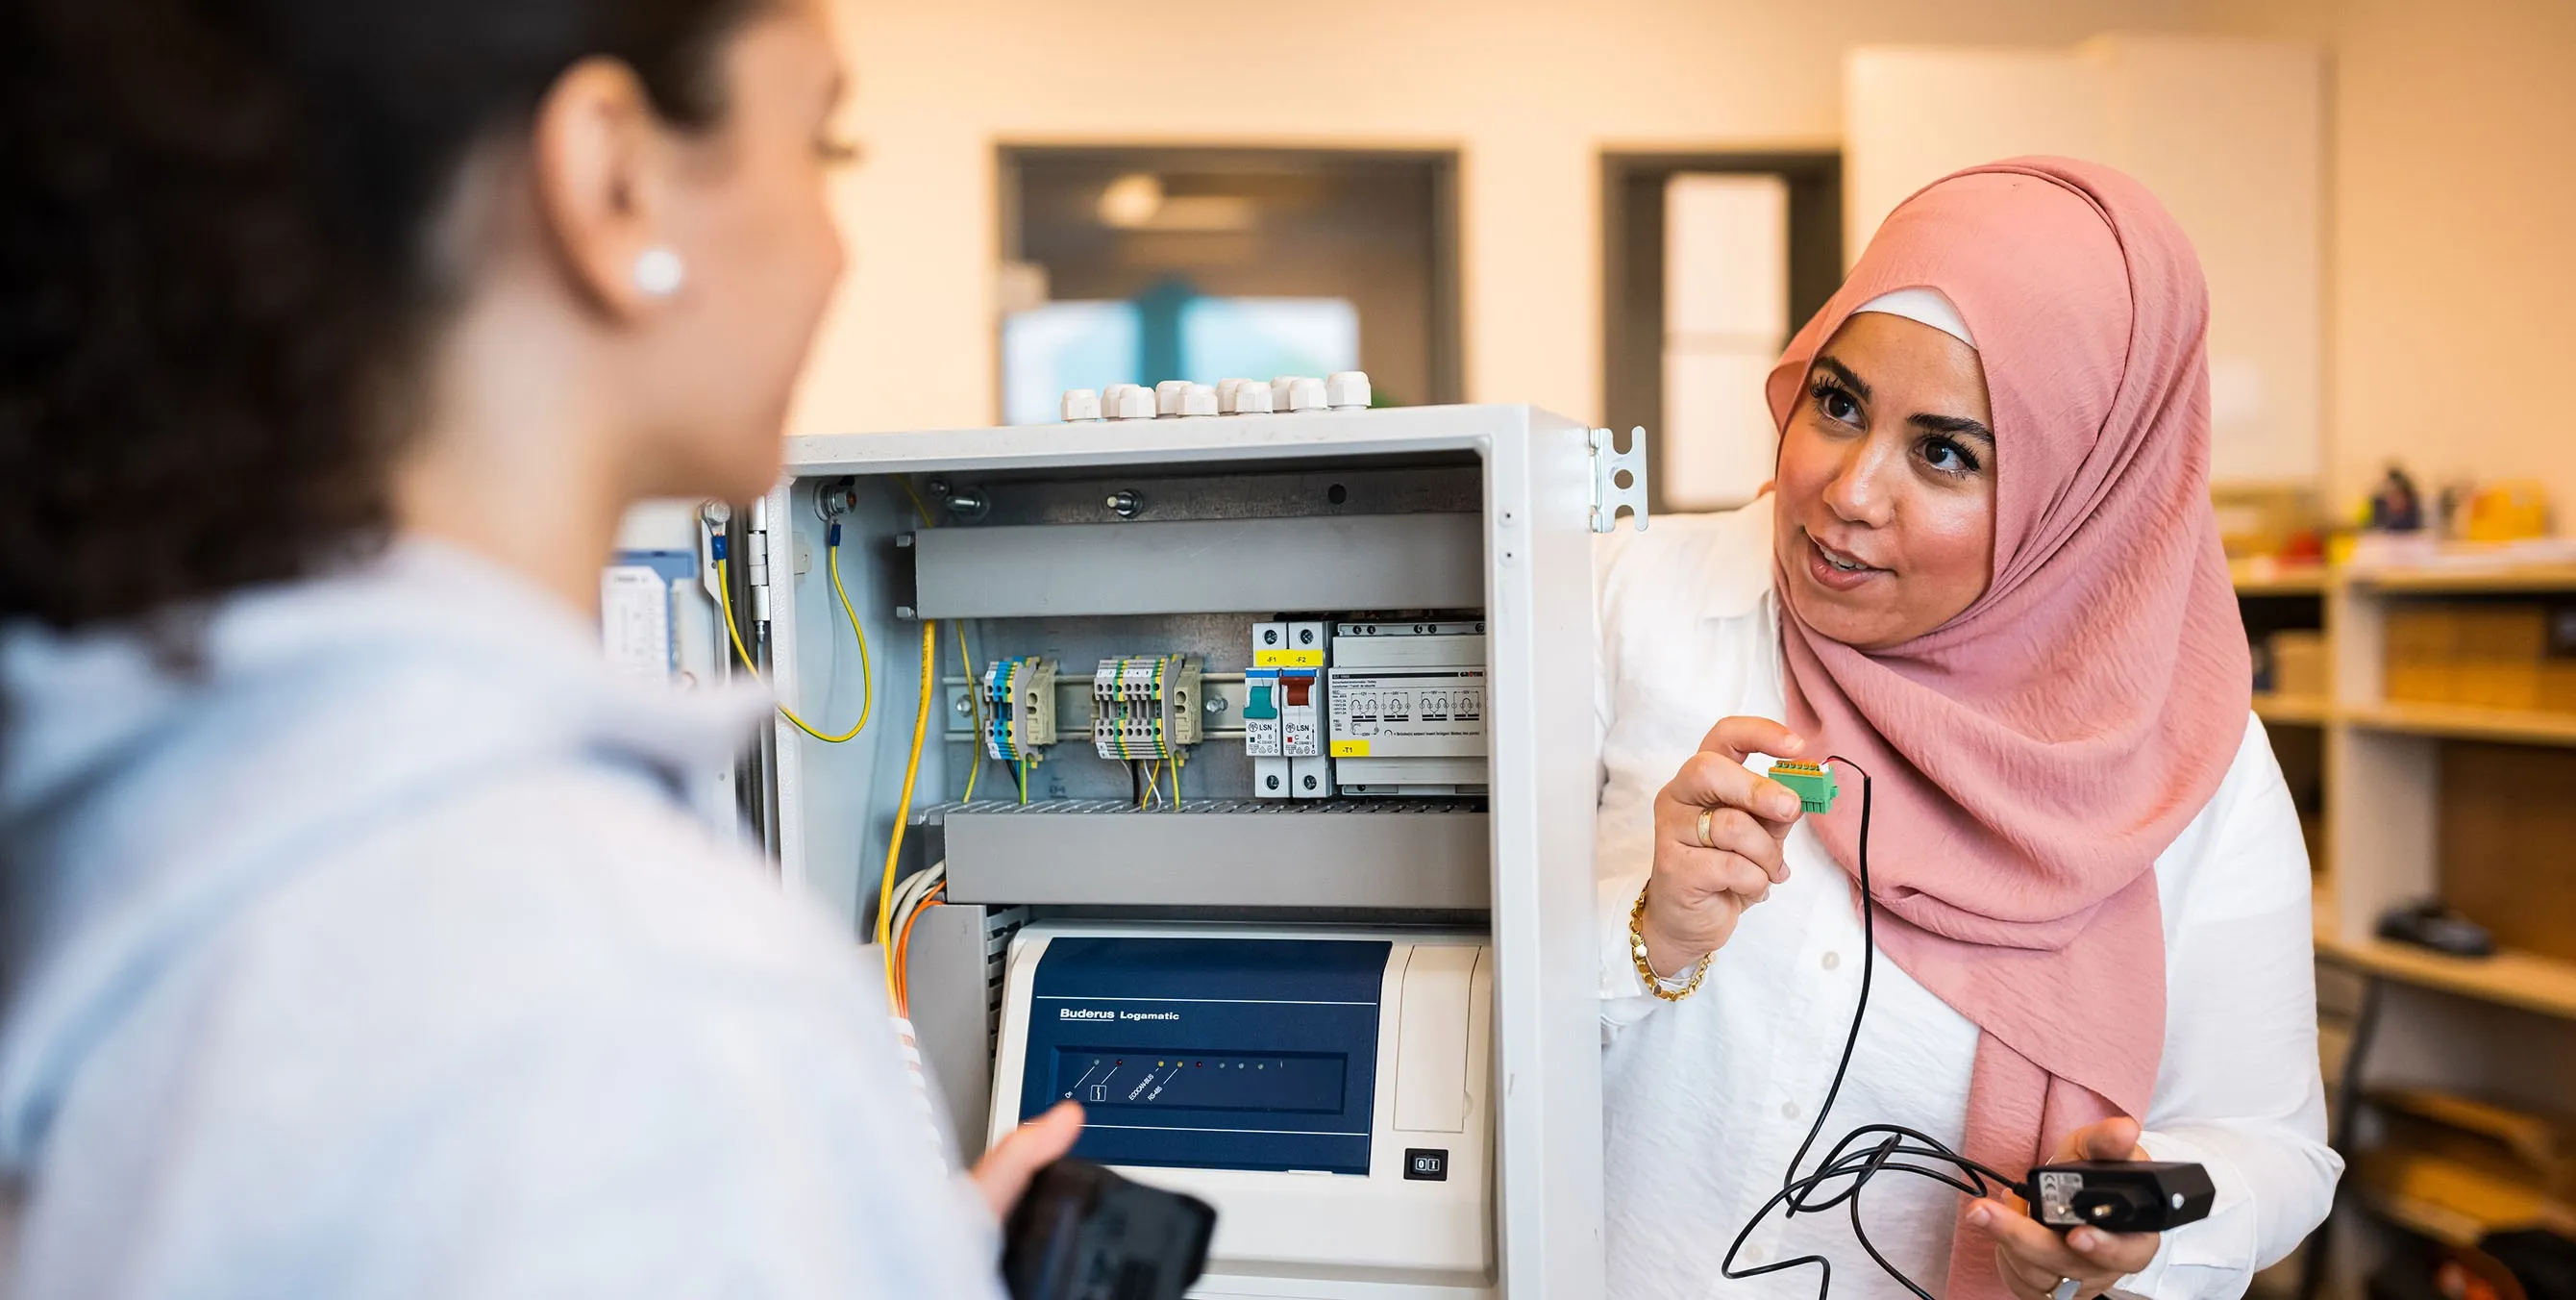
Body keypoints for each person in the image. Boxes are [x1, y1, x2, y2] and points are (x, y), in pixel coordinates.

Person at [0, 1, 1076, 1295]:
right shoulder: (641, 991)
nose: (836, 251)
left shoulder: (140, 825)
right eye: (822, 148)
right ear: (613, 182)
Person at [1595, 159, 2341, 1300]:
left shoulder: (2195, 768)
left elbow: (2274, 1145)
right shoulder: (1626, 603)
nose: (1847, 488)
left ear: (2081, 494)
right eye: (1837, 403)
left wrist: (2137, 1230)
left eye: (1944, 451)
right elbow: (1428, 1022)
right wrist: (1651, 935)